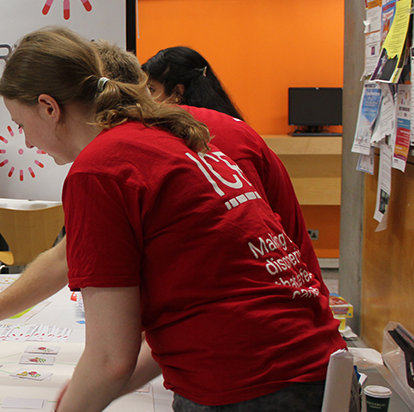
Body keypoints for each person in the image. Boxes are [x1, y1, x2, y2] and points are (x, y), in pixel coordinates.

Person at [0, 27, 357, 412]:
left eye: (21, 124)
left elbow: (111, 356)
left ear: (48, 107)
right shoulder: (168, 137)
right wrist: (88, 394)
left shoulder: (100, 168)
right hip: (318, 383)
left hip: (250, 400)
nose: (27, 140)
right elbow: (187, 318)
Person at [139, 44, 326, 293]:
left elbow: (241, 225)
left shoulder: (210, 140)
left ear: (177, 93)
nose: (146, 102)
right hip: (286, 272)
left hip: (262, 279)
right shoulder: (236, 128)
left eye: (151, 90)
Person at [141, 45, 244, 120]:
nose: (145, 97)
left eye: (151, 89)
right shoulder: (229, 122)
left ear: (177, 92)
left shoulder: (189, 134)